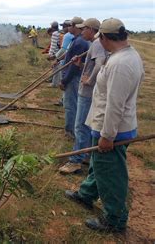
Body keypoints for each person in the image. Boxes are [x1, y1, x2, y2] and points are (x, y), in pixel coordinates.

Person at [65, 18, 144, 233]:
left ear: (107, 38)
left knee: (111, 175)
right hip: (107, 124)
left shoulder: (120, 64)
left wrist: (107, 135)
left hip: (113, 129)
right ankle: (87, 194)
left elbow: (115, 105)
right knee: (99, 166)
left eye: (101, 37)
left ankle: (115, 220)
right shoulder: (128, 56)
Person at [59, 18, 107, 174]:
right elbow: (94, 64)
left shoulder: (98, 44)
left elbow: (99, 64)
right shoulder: (94, 44)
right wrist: (79, 64)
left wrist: (90, 80)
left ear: (92, 30)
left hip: (87, 93)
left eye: (84, 28)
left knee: (80, 126)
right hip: (89, 92)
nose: (82, 31)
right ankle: (85, 154)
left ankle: (75, 161)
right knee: (86, 125)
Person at [59, 17, 90, 139]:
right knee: (72, 104)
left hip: (73, 78)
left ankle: (70, 131)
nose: (68, 27)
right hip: (72, 77)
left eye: (70, 25)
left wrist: (64, 80)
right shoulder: (76, 40)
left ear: (76, 26)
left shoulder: (79, 42)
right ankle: (71, 129)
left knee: (71, 105)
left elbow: (74, 66)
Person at [50, 20, 73, 91]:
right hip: (69, 59)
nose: (62, 28)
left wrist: (55, 57)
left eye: (64, 26)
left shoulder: (67, 35)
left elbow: (64, 49)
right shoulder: (72, 35)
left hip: (65, 59)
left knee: (63, 78)